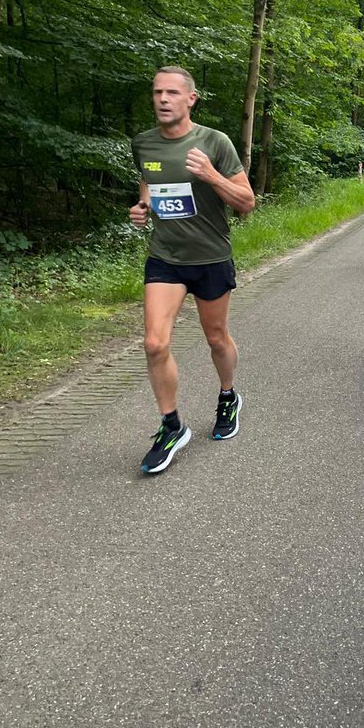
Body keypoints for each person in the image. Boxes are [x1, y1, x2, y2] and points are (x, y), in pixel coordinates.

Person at [130, 67, 255, 475]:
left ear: (191, 99)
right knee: (153, 343)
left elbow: (247, 202)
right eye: (157, 93)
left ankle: (228, 395)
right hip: (165, 258)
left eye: (171, 93)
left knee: (216, 338)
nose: (163, 99)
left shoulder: (213, 142)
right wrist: (143, 208)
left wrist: (211, 174)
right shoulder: (144, 144)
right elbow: (149, 181)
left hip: (210, 257)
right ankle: (171, 425)